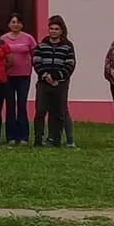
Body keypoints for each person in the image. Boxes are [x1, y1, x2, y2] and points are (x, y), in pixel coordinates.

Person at [32, 15, 77, 147]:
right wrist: (46, 76)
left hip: (60, 83)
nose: (53, 31)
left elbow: (70, 64)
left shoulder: (68, 46)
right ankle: (38, 139)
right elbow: (36, 62)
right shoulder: (41, 45)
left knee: (57, 112)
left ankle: (54, 138)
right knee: (40, 111)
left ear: (61, 30)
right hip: (43, 83)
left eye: (56, 29)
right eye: (51, 28)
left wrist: (57, 77)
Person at [1, 12, 37, 146]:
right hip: (8, 77)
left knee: (22, 105)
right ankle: (10, 136)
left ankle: (23, 136)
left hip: (24, 76)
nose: (15, 24)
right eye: (13, 22)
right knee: (10, 106)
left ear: (22, 24)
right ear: (9, 24)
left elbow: (35, 55)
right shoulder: (3, 39)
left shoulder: (29, 38)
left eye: (18, 22)